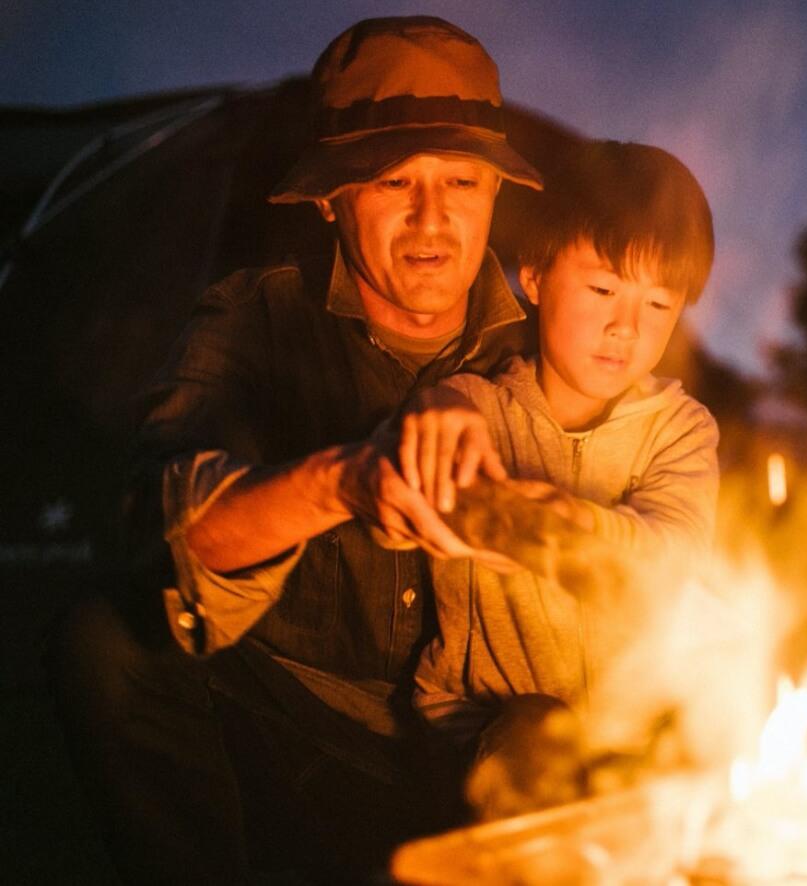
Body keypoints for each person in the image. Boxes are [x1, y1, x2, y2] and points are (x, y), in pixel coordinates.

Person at [45, 16, 544, 884]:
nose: (434, 218)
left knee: (562, 731)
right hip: (283, 727)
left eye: (461, 180)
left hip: (472, 756)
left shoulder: (553, 355)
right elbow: (156, 530)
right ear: (329, 197)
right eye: (393, 180)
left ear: (496, 190)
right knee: (104, 645)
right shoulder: (253, 318)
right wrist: (342, 481)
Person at [399, 141, 719, 821]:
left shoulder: (680, 430)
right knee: (537, 737)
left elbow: (674, 550)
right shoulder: (476, 408)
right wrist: (439, 414)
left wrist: (568, 524)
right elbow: (437, 431)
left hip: (629, 737)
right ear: (536, 276)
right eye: (602, 289)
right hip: (482, 733)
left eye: (659, 305)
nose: (625, 327)